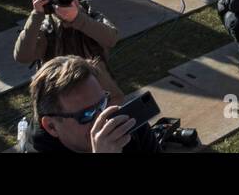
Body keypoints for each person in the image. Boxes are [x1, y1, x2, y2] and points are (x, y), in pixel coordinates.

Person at [14, 0, 123, 103]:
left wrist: (77, 19)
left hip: (99, 94)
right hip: (62, 99)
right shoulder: (45, 27)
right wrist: (36, 14)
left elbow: (112, 39)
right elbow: (22, 56)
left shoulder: (90, 16)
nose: (65, 0)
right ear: (50, 1)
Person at [25, 55, 159, 153]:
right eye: (86, 114)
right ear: (51, 126)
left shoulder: (131, 128)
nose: (102, 119)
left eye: (102, 104)